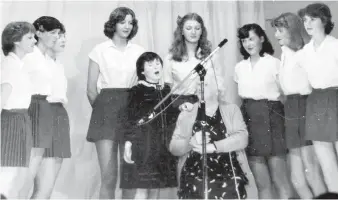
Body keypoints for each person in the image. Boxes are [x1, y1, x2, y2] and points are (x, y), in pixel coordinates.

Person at [169, 62, 257, 199]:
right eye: (198, 85)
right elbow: (174, 147)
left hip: (227, 171)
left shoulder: (231, 109)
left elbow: (242, 138)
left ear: (217, 88)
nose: (200, 87)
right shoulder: (187, 112)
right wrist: (190, 142)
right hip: (194, 173)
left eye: (205, 84)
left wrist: (214, 147)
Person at [86, 7, 145, 199]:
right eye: (123, 22)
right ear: (114, 24)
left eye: (130, 22)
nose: (127, 26)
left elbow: (144, 84)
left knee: (130, 175)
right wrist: (105, 110)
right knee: (109, 177)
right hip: (105, 111)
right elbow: (91, 90)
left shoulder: (139, 51)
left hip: (132, 111)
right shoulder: (99, 50)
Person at [271, 12, 327, 198]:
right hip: (290, 111)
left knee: (312, 170)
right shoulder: (285, 54)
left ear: (293, 30)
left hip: (306, 109)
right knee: (296, 178)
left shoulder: (306, 53)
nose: (277, 35)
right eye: (276, 30)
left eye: (280, 30)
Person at [234, 23, 293, 199]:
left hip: (273, 119)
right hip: (250, 120)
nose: (248, 43)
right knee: (262, 183)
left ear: (261, 38)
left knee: (280, 179)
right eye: (244, 40)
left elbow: (285, 94)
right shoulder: (239, 67)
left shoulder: (275, 63)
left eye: (251, 38)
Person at [120, 52, 179, 199]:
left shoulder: (165, 91)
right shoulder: (136, 91)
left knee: (156, 188)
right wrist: (128, 144)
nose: (155, 67)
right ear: (142, 71)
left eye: (158, 63)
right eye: (150, 65)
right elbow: (129, 119)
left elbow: (172, 116)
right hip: (144, 146)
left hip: (162, 146)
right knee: (142, 188)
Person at [297, 3, 338, 193]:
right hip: (316, 103)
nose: (307, 23)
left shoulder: (336, 46)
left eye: (312, 19)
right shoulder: (303, 53)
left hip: (336, 99)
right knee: (325, 162)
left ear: (325, 20)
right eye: (305, 20)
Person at [28, 23, 71, 199]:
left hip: (58, 117)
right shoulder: (31, 58)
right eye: (56, 34)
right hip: (37, 115)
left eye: (63, 35)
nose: (61, 39)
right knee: (24, 181)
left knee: (47, 187)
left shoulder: (58, 64)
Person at [22, 16, 63, 198]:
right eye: (52, 32)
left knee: (44, 179)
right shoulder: (28, 56)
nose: (56, 36)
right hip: (32, 111)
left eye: (58, 33)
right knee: (25, 175)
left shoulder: (50, 60)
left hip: (49, 112)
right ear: (38, 32)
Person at [0, 21, 36, 198]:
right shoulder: (9, 66)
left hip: (21, 122)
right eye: (29, 37)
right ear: (15, 41)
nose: (34, 41)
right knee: (5, 178)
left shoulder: (19, 66)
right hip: (9, 124)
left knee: (14, 179)